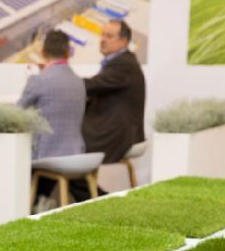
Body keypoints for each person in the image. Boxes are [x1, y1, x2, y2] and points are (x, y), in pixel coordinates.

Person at [74, 18, 146, 200]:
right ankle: (95, 199)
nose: (102, 39)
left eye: (109, 36)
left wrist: (65, 83)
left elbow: (94, 85)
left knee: (65, 147)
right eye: (102, 35)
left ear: (124, 41)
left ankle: (99, 200)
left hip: (117, 132)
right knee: (64, 147)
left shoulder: (123, 64)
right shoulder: (118, 62)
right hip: (111, 127)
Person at [18, 30, 86, 210]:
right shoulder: (79, 82)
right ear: (68, 53)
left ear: (43, 53)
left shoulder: (38, 81)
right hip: (76, 153)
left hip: (47, 155)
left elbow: (16, 115)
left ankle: (29, 210)